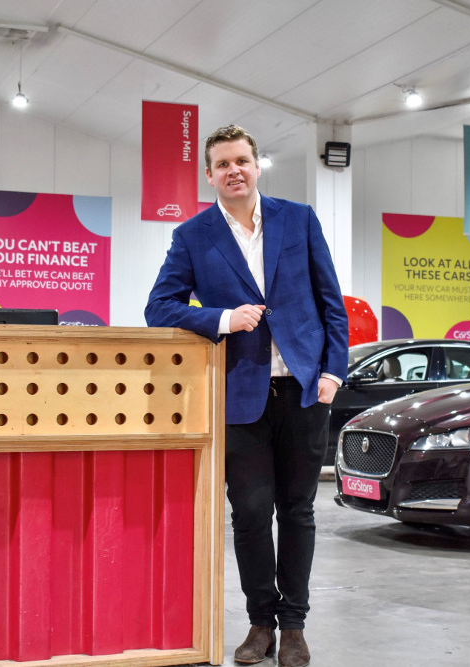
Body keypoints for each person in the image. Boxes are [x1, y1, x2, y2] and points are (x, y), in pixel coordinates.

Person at [145, 124, 348, 667]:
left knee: (298, 511)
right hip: (239, 398)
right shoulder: (193, 235)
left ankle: (296, 625)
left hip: (305, 391)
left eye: (242, 160)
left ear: (257, 166)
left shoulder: (299, 220)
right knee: (252, 514)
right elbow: (159, 306)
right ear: (209, 175)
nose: (234, 170)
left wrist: (333, 373)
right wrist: (221, 319)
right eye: (222, 164)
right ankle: (261, 622)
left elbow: (332, 302)